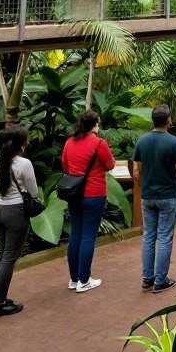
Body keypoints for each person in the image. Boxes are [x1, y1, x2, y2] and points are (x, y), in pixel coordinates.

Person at [130, 104, 176, 293]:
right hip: (168, 196)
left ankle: (147, 278)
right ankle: (160, 280)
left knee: (148, 236)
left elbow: (136, 170)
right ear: (168, 121)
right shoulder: (174, 143)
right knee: (164, 237)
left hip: (148, 196)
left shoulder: (142, 141)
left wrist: (143, 186)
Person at [61, 110, 115, 293]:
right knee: (88, 237)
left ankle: (74, 278)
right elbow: (110, 165)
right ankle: (84, 280)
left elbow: (66, 166)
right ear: (95, 124)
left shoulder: (70, 142)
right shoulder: (99, 143)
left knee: (75, 235)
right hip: (94, 193)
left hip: (74, 194)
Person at [0, 125, 40, 318]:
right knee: (9, 257)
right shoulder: (24, 164)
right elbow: (33, 192)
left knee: (2, 255)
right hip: (15, 212)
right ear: (22, 143)